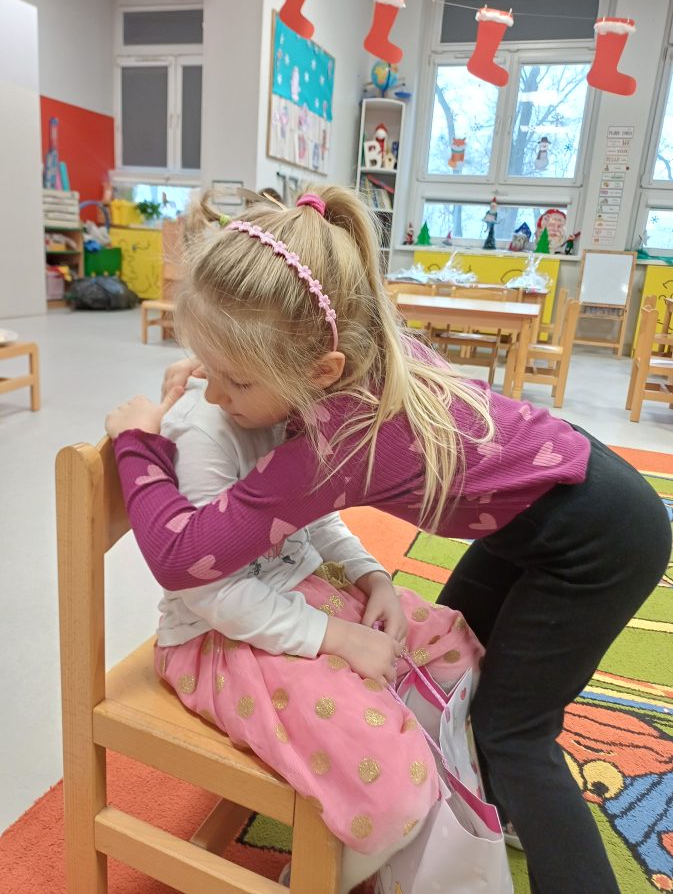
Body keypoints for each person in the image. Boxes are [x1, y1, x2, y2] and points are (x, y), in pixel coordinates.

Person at [105, 186, 671, 894]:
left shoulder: (337, 439)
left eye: (237, 381)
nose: (214, 397)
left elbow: (180, 557)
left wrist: (138, 442)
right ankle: (481, 803)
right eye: (208, 371)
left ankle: (534, 828)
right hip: (550, 504)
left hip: (597, 540)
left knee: (513, 728)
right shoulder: (360, 344)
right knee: (456, 659)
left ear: (320, 372)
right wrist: (225, 378)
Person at [146, 376, 484, 893]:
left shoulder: (297, 412)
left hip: (304, 595)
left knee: (454, 647)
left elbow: (318, 519)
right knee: (396, 786)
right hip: (219, 636)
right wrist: (342, 639)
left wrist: (374, 579)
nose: (217, 391)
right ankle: (319, 875)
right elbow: (212, 594)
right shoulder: (204, 431)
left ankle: (400, 786)